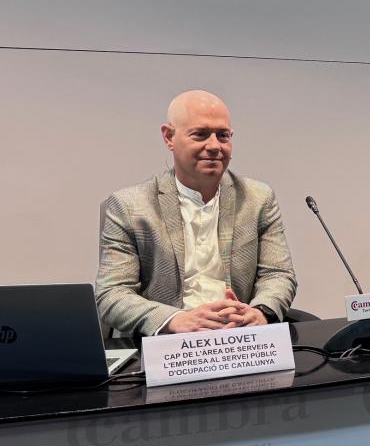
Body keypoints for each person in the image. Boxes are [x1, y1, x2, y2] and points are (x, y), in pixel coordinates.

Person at [96, 90, 297, 336]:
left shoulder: (258, 199)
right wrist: (174, 320)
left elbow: (278, 274)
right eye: (200, 134)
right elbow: (111, 293)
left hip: (239, 338)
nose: (214, 146)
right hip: (169, 341)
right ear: (169, 137)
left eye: (222, 135)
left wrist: (260, 312)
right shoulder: (129, 206)